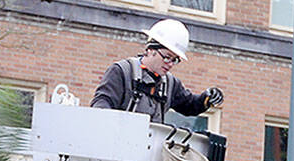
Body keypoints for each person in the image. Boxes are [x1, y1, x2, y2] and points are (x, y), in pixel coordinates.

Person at [91, 19, 224, 123]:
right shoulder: (122, 72)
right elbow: (101, 105)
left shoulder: (170, 84)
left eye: (175, 60)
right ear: (150, 50)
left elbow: (189, 105)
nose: (170, 64)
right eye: (167, 57)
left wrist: (206, 98)